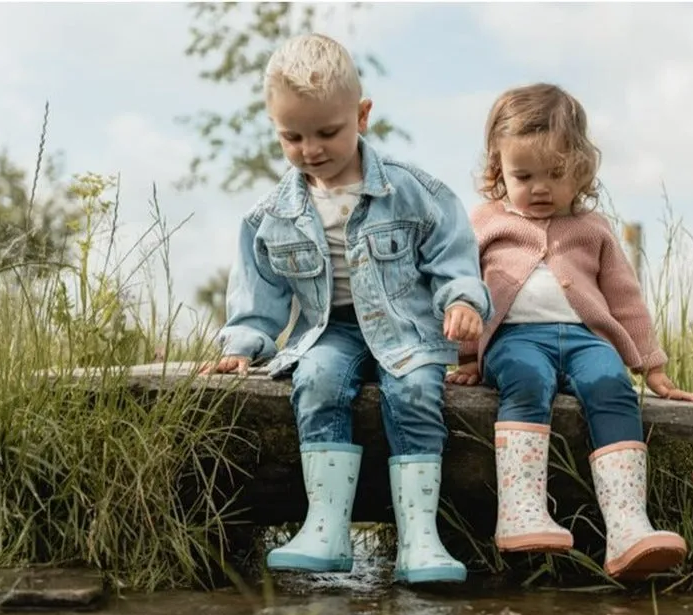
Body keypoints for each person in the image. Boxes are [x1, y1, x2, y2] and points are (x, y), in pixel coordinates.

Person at [201, 33, 491, 585]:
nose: (311, 149)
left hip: (406, 329)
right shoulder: (271, 215)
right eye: (292, 136)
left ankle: (420, 537)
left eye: (327, 132)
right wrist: (242, 346)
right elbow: (260, 293)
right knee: (315, 380)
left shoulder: (412, 191)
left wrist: (460, 300)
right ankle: (325, 529)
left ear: (361, 114)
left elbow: (453, 253)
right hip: (327, 331)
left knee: (413, 391)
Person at [447, 83, 693, 580]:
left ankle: (629, 527)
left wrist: (652, 365)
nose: (539, 187)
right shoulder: (485, 222)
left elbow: (625, 298)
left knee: (611, 386)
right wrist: (468, 358)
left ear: (580, 169)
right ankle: (521, 513)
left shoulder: (594, 227)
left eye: (555, 175)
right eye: (524, 175)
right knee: (526, 382)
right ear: (499, 170)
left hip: (587, 340)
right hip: (516, 341)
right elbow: (463, 290)